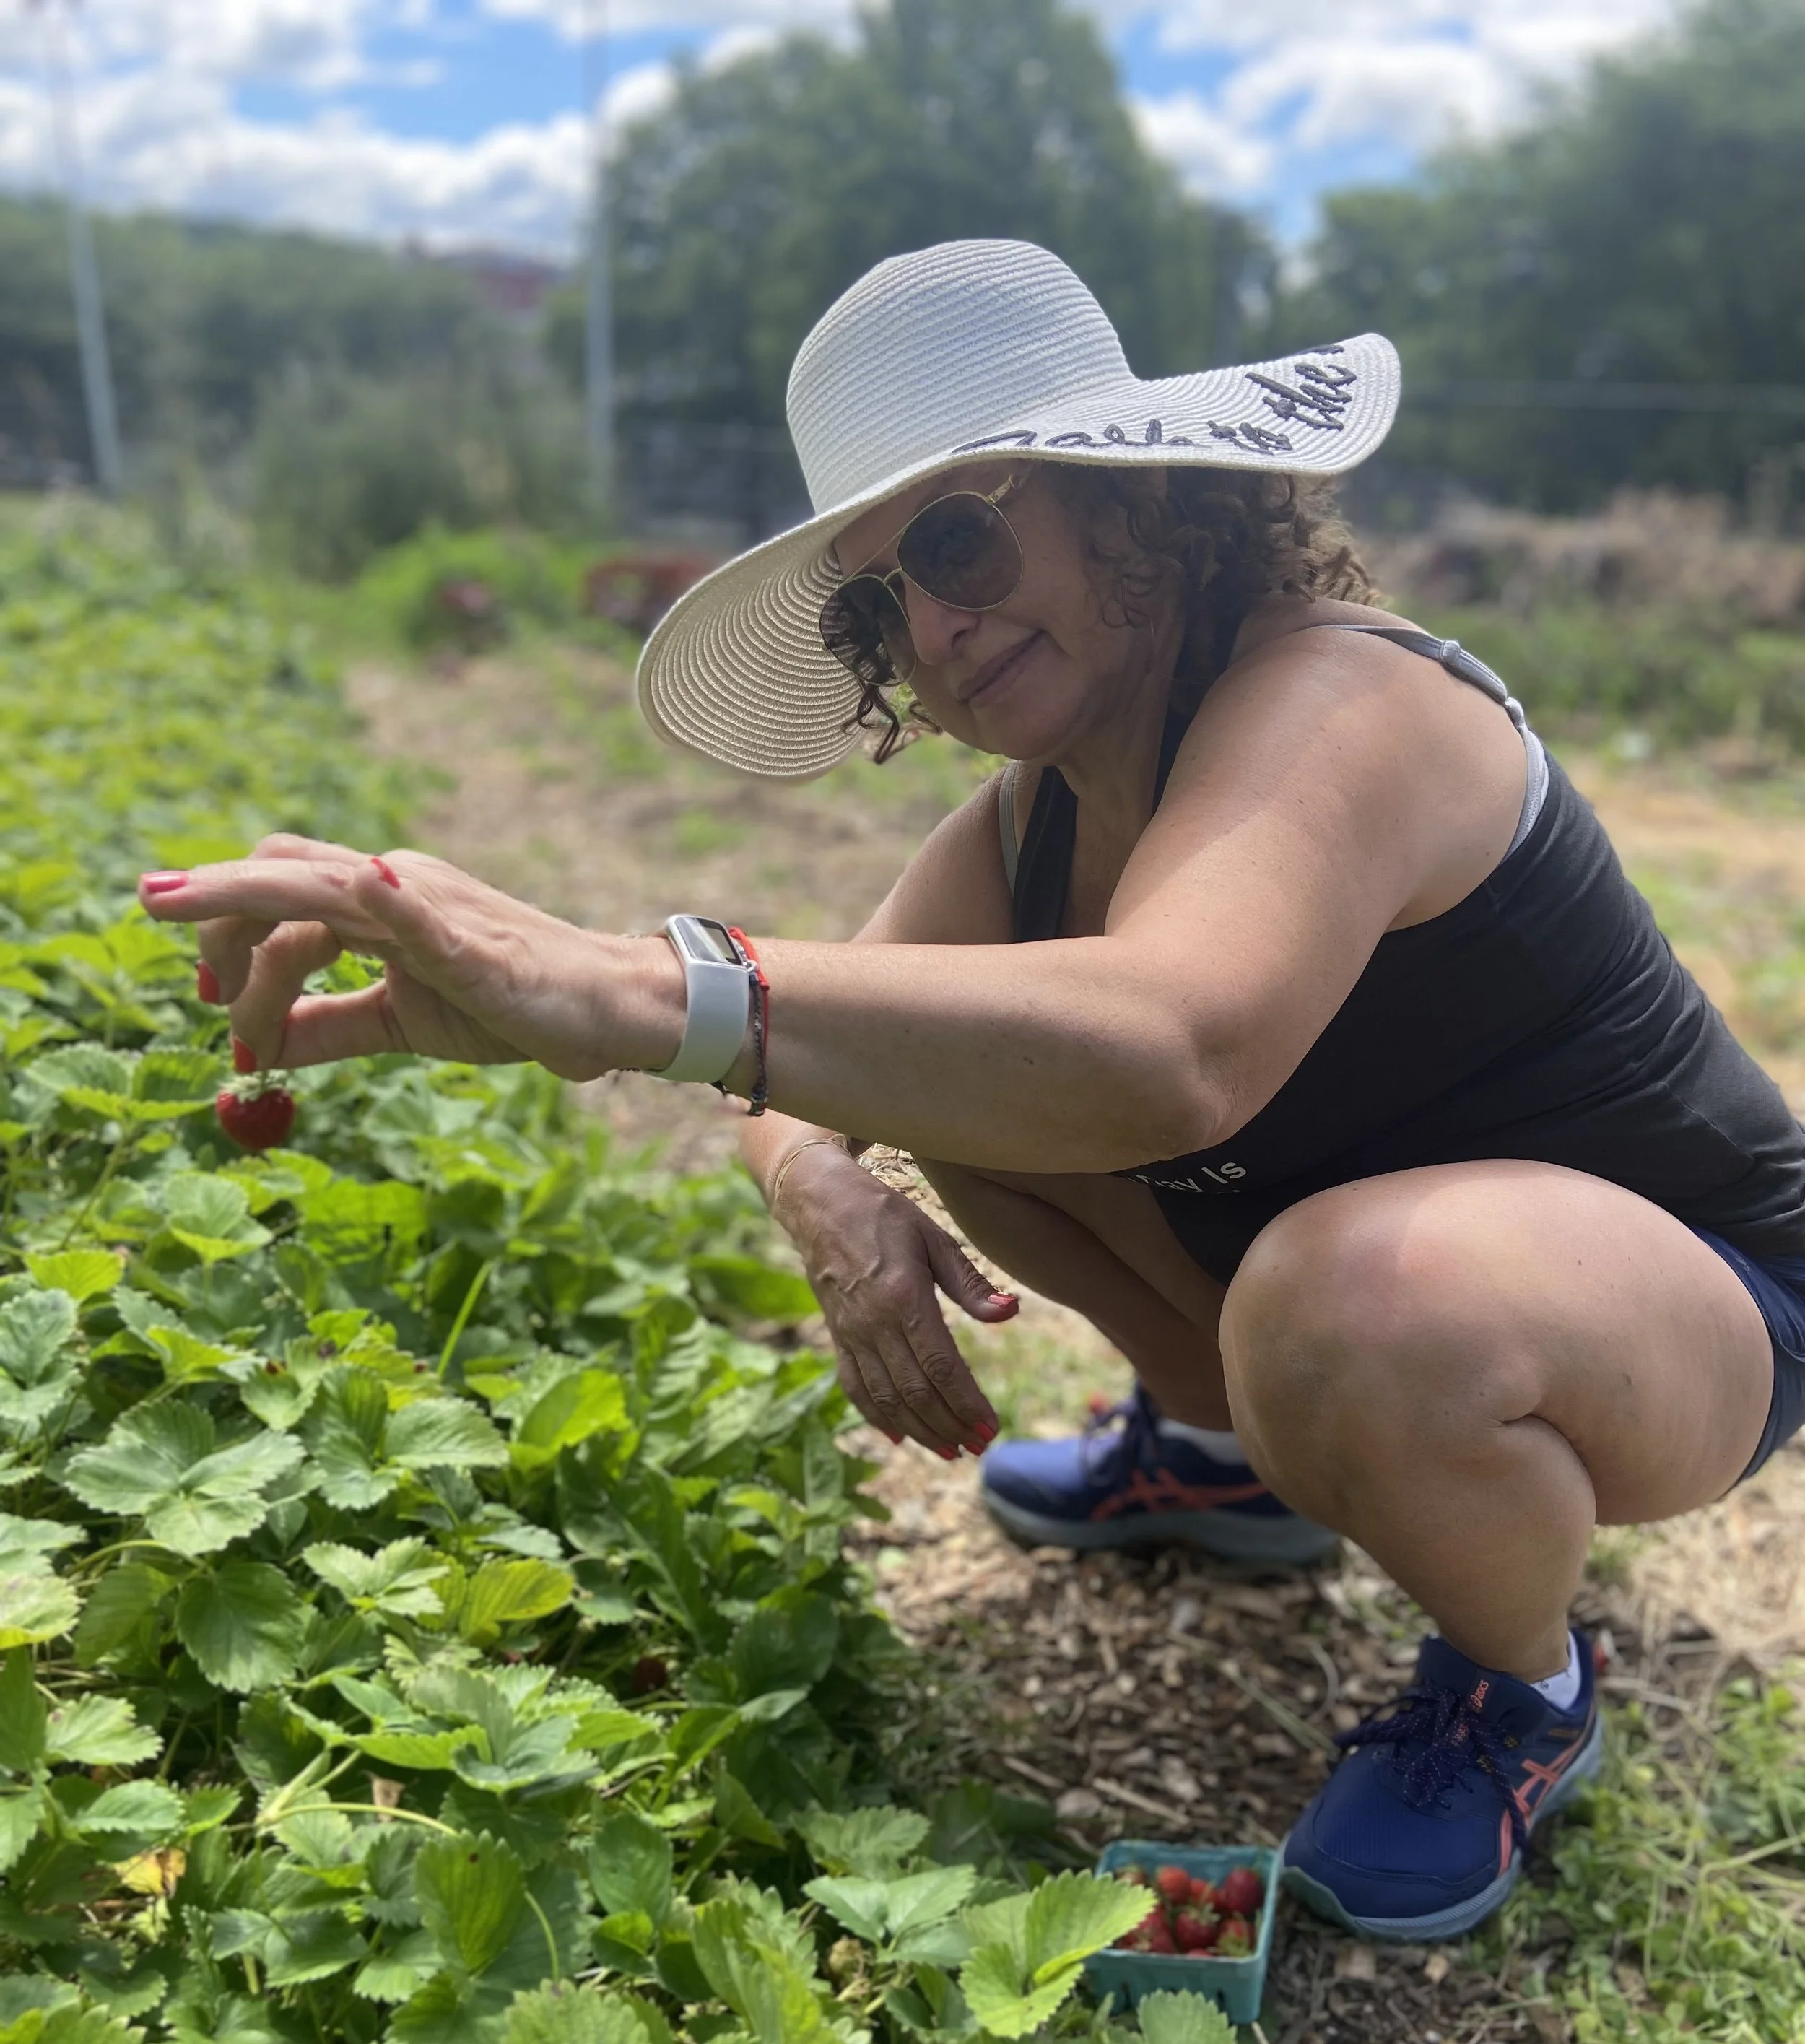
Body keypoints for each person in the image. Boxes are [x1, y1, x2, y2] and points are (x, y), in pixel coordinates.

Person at [139, 239, 1805, 1946]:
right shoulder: (1030, 829)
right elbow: (827, 1070)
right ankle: (1230, 1460)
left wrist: (629, 989)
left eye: (957, 537)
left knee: (1342, 1293)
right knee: (960, 1069)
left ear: (1127, 500)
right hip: (1406, 1286)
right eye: (878, 603)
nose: (932, 623)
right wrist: (818, 1184)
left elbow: (1172, 1041)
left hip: (1694, 1298)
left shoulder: (1343, 699)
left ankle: (1518, 1687)